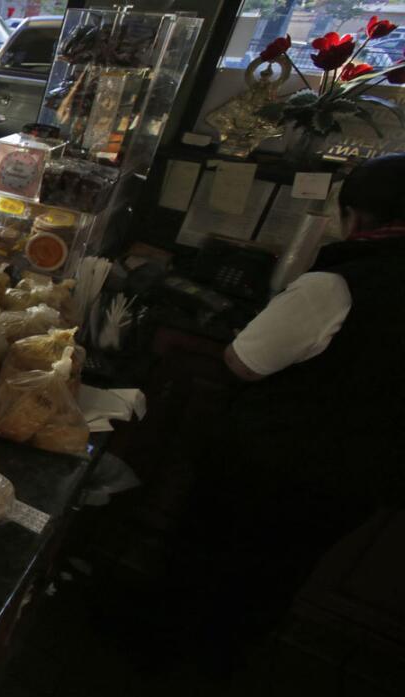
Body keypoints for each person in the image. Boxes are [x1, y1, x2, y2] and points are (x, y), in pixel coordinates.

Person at [163, 152, 405, 656]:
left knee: (210, 558)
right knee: (280, 573)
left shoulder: (339, 283)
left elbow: (242, 363)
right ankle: (225, 661)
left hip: (275, 465)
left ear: (355, 216)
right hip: (361, 479)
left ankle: (163, 646)